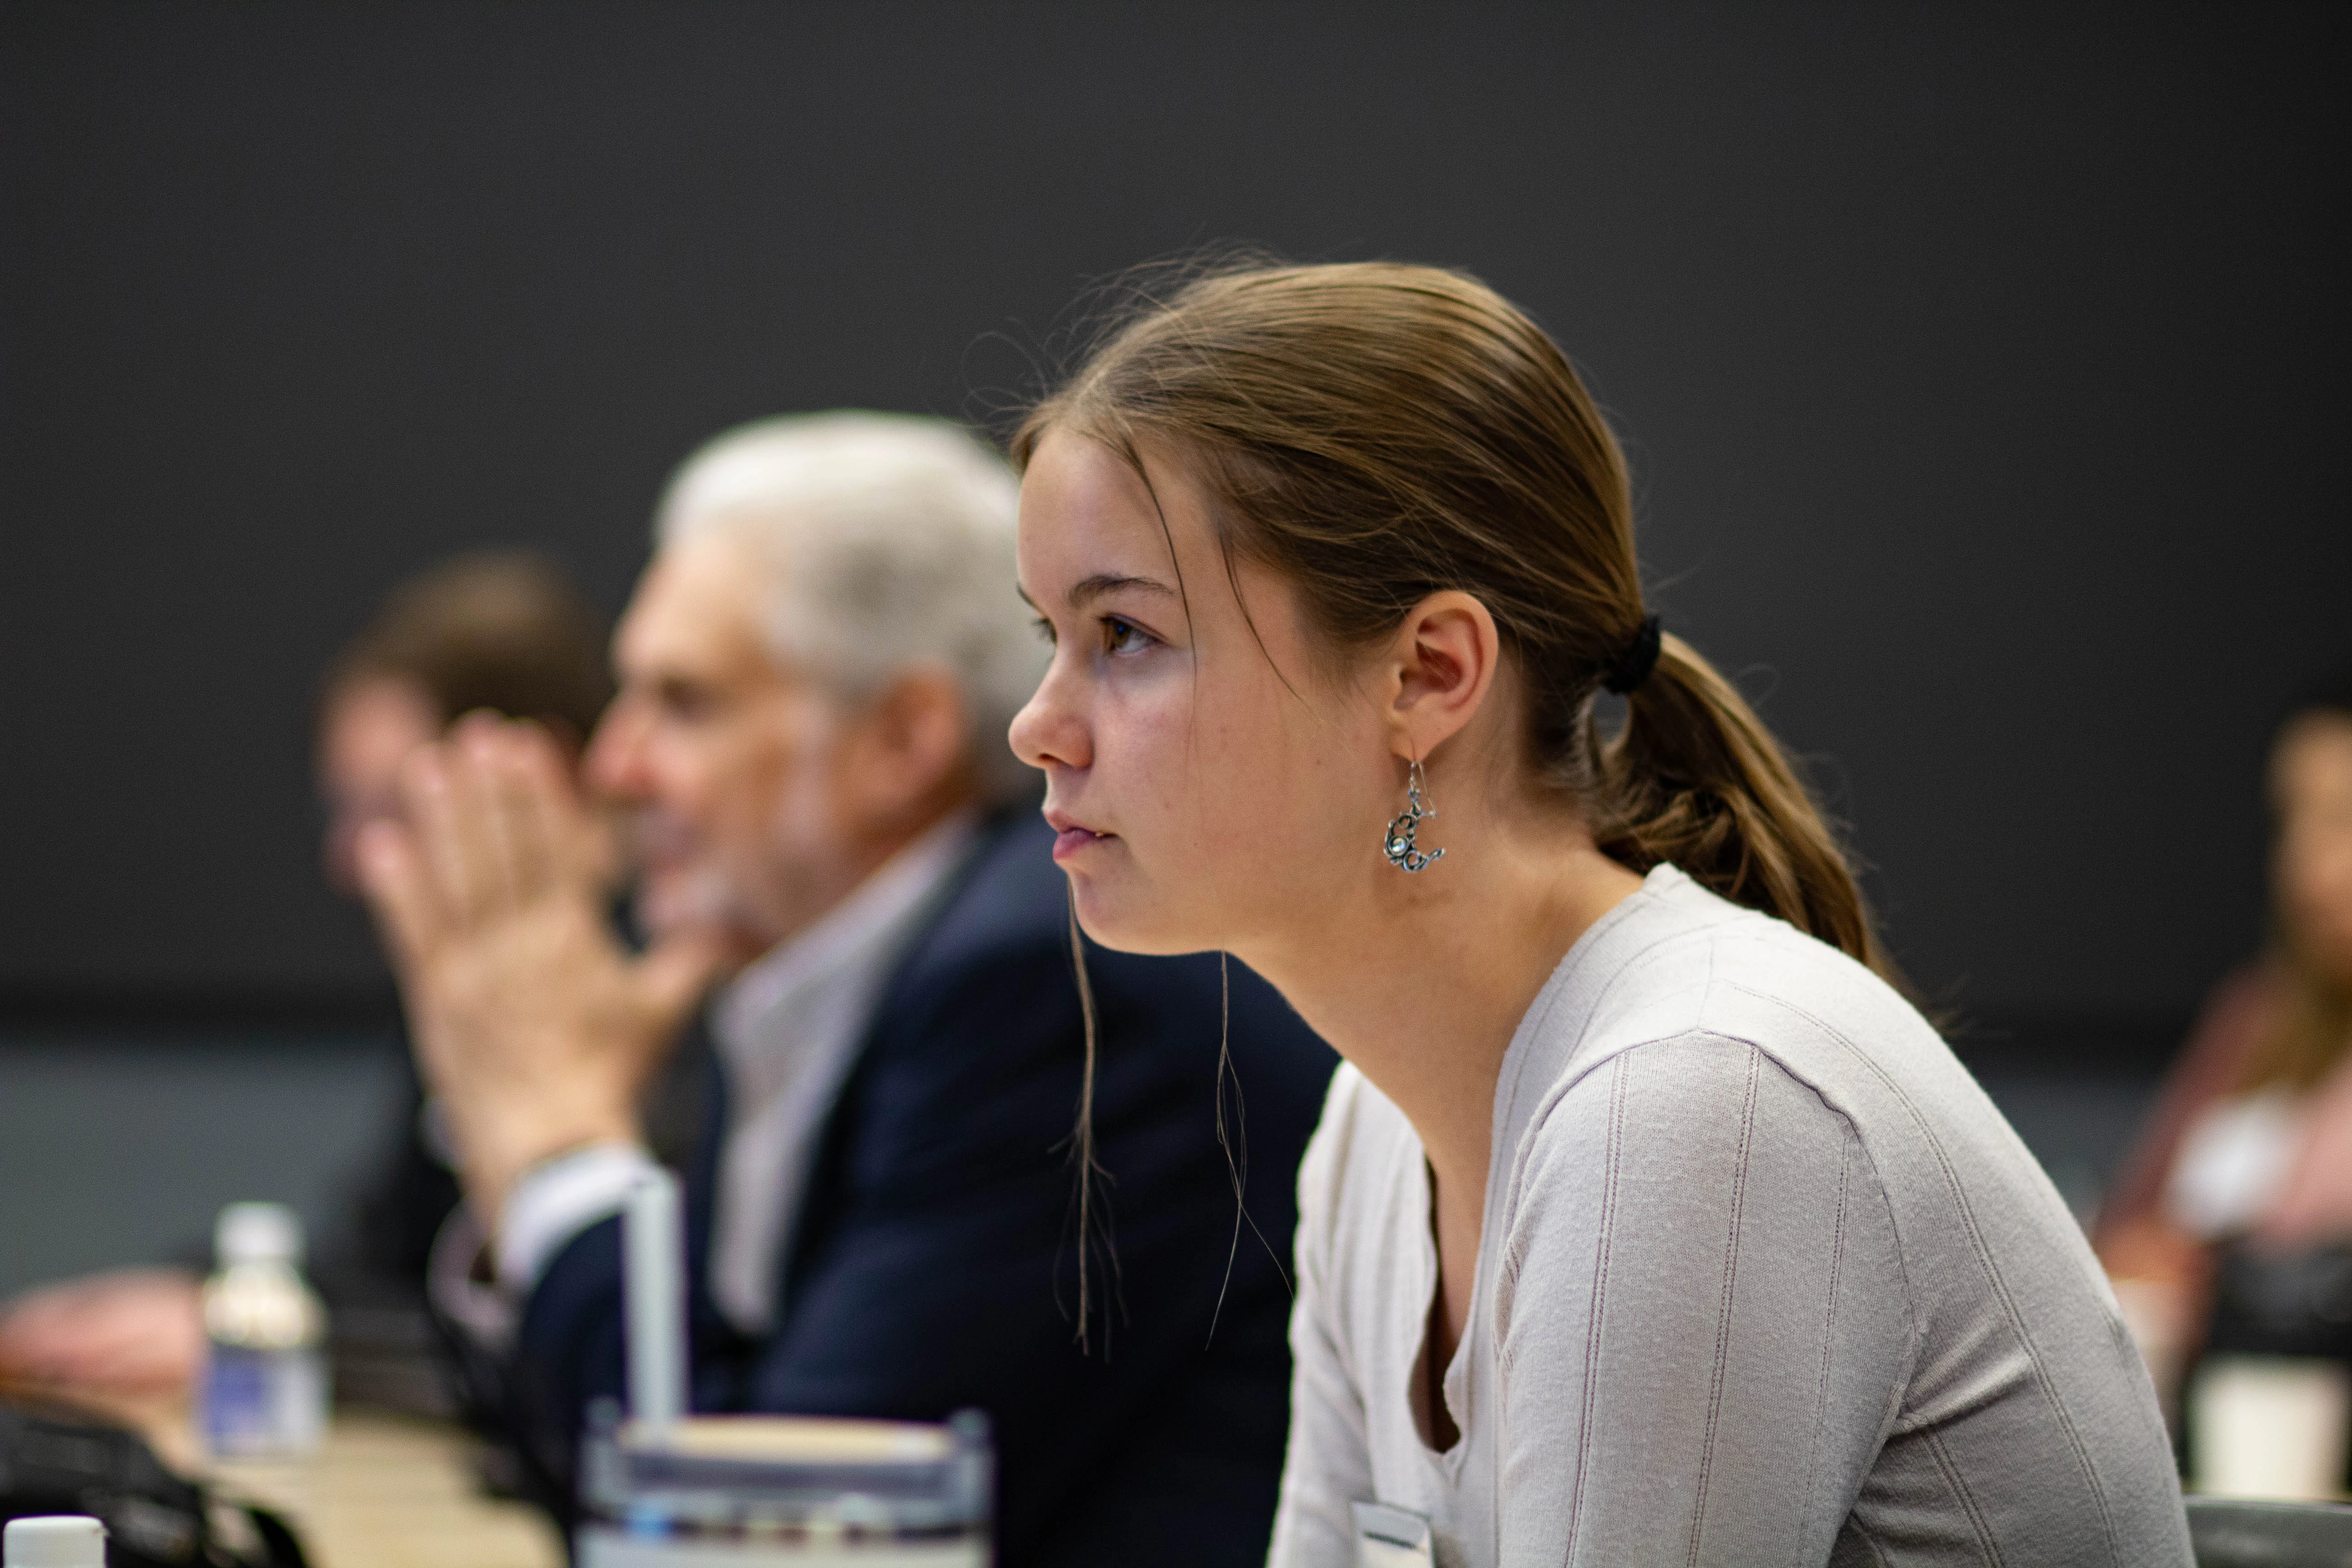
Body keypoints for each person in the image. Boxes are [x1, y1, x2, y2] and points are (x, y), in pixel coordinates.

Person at [1005, 261, 2191, 1565]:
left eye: (1125, 635)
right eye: (1051, 637)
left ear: (1429, 674)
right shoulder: (1377, 1133)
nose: (1037, 726)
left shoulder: (1695, 1101)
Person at [355, 413, 1335, 1567]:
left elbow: (772, 1541)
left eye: (684, 703)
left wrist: (556, 1144)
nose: (615, 768)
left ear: (902, 741)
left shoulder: (1051, 991)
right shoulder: (801, 980)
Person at [0, 551, 616, 1410]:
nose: (351, 863)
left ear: (532, 780)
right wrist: (207, 1293)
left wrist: (262, 1333)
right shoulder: (460, 989)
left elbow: (595, 1338)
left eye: (391, 811)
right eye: (345, 813)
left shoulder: (662, 997)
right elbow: (379, 1259)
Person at [2097, 674, 2352, 1401]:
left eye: (2343, 819)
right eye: (2293, 820)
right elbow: (2126, 1233)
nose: (2307, 865)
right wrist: (2144, 1262)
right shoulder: (2256, 1022)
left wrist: (2232, 1284)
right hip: (2207, 1416)